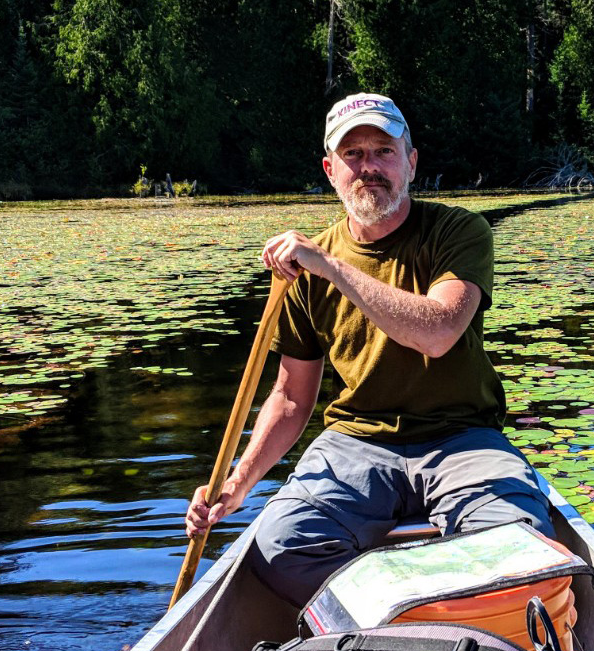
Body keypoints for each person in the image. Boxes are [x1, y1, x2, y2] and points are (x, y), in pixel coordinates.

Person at [184, 92, 554, 606]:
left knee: (520, 543)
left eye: (383, 150)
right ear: (330, 169)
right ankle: (420, 614)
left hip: (463, 437)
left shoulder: (457, 231)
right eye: (353, 155)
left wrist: (333, 267)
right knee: (277, 547)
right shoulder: (303, 270)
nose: (369, 167)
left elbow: (439, 331)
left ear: (411, 161)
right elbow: (292, 398)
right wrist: (238, 482)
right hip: (356, 443)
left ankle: (398, 612)